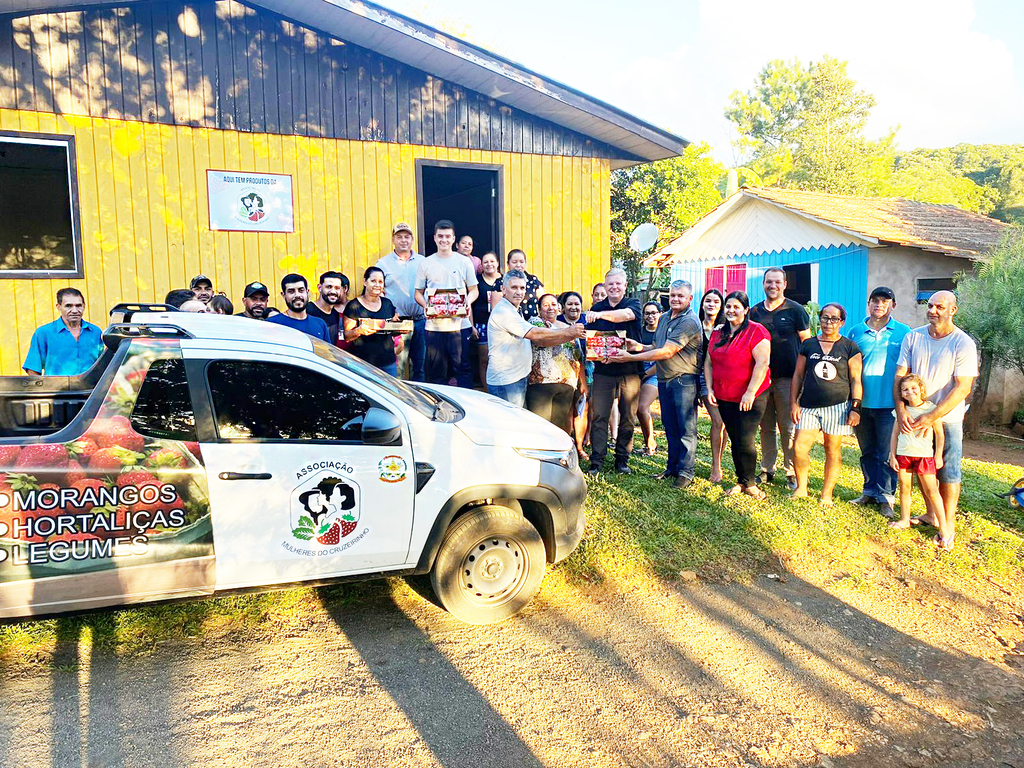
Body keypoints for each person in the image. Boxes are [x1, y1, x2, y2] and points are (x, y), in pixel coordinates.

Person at [893, 290, 978, 550]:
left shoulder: (963, 343)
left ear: (953, 310)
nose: (933, 310)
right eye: (930, 305)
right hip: (914, 418)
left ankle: (947, 525)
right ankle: (931, 513)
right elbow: (899, 377)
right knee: (922, 468)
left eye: (939, 306)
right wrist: (902, 410)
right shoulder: (913, 337)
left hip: (946, 419)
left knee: (948, 470)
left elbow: (963, 387)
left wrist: (933, 415)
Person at [610, 281, 703, 489]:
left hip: (684, 380)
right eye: (672, 295)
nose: (676, 299)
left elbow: (667, 352)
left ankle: (686, 472)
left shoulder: (689, 321)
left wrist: (630, 358)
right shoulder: (665, 318)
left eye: (680, 295)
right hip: (665, 379)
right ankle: (672, 467)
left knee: (686, 429)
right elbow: (657, 346)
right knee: (670, 426)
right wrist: (638, 346)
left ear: (690, 299)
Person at [789, 303, 863, 507]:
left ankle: (826, 494)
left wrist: (856, 408)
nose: (829, 322)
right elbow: (798, 375)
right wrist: (794, 403)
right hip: (808, 406)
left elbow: (856, 379)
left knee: (833, 450)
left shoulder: (850, 347)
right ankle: (801, 487)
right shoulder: (808, 345)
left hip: (837, 406)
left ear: (841, 322)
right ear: (820, 319)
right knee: (799, 448)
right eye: (825, 318)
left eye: (834, 319)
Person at [846, 287, 911, 518]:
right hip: (862, 404)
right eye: (874, 301)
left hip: (890, 406)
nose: (879, 305)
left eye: (885, 301)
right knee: (867, 451)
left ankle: (886, 498)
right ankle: (869, 491)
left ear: (893, 304)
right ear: (868, 303)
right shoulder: (855, 332)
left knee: (886, 453)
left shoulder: (903, 333)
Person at [704, 291, 772, 499]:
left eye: (736, 307)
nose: (731, 310)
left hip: (751, 395)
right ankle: (741, 480)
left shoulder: (756, 331)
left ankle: (749, 483)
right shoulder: (718, 332)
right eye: (729, 306)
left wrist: (750, 392)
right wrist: (709, 388)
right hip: (724, 395)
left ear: (746, 310)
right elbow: (708, 361)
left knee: (746, 438)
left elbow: (762, 363)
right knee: (735, 437)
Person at [749, 267, 811, 490]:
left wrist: (804, 376)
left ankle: (791, 472)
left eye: (777, 282)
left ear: (784, 284)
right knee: (765, 427)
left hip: (788, 378)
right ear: (763, 284)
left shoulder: (795, 310)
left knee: (788, 427)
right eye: (768, 282)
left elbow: (806, 341)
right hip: (761, 379)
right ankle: (767, 469)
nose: (772, 286)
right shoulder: (754, 312)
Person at [486, 270, 585, 406]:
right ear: (503, 289)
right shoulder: (504, 311)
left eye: (522, 288)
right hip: (507, 382)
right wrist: (569, 331)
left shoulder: (514, 309)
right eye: (514, 287)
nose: (519, 292)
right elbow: (535, 335)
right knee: (511, 424)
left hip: (515, 379)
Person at [583, 267, 643, 475]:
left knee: (628, 415)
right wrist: (597, 352)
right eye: (610, 284)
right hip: (603, 370)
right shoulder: (596, 307)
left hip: (630, 370)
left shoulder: (632, 304)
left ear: (625, 286)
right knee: (599, 415)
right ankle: (597, 461)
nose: (614, 287)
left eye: (618, 283)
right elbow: (592, 339)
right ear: (605, 286)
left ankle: (622, 460)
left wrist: (598, 314)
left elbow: (624, 316)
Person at [414, 220, 478, 387]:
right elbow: (418, 294)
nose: (444, 240)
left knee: (463, 369)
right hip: (434, 328)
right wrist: (426, 306)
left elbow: (474, 290)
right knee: (436, 372)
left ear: (453, 238)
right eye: (440, 236)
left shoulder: (464, 262)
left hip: (459, 326)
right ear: (434, 238)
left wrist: (467, 303)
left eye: (448, 236)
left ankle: (468, 406)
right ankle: (439, 410)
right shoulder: (425, 263)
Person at [888, 374, 947, 545]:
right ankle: (905, 519)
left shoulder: (931, 409)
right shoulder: (901, 412)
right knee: (905, 488)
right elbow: (894, 434)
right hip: (903, 454)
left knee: (932, 491)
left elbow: (940, 434)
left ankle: (942, 526)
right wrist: (892, 455)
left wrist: (938, 455)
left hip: (925, 457)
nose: (909, 392)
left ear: (921, 389)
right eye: (905, 389)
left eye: (913, 388)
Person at [526, 294, 587, 433]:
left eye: (553, 304)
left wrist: (582, 383)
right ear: (539, 309)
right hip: (541, 383)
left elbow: (578, 358)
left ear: (559, 307)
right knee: (540, 426)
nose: (550, 308)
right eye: (546, 305)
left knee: (559, 428)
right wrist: (570, 333)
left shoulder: (569, 327)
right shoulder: (535, 323)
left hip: (566, 385)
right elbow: (543, 340)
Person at [376, 222, 426, 381]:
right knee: (398, 367)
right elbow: (377, 291)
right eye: (399, 237)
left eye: (407, 237)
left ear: (412, 240)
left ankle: (420, 403)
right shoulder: (383, 263)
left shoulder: (423, 261)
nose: (403, 240)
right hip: (397, 323)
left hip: (421, 321)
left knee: (421, 366)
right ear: (393, 240)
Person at [23, 288, 104, 376]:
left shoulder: (96, 332)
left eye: (78, 305)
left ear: (84, 306)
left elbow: (104, 366)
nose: (74, 310)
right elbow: (33, 370)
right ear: (58, 307)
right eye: (68, 306)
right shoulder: (44, 333)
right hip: (57, 389)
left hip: (92, 389)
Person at [342, 266, 400, 375]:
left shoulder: (387, 304)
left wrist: (401, 329)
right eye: (373, 281)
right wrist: (359, 331)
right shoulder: (354, 306)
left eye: (380, 282)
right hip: (363, 364)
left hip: (388, 363)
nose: (377, 285)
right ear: (365, 282)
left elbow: (393, 330)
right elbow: (347, 336)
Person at [698, 288, 726, 483]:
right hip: (697, 376)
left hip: (721, 378)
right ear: (702, 304)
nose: (711, 304)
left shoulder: (726, 328)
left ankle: (718, 462)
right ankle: (714, 466)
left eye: (716, 302)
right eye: (708, 301)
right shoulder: (695, 325)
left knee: (722, 423)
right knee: (717, 421)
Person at [559, 291, 590, 459]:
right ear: (563, 308)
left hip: (584, 371)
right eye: (569, 304)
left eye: (577, 304)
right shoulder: (558, 323)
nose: (573, 307)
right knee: (566, 410)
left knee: (582, 409)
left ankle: (579, 447)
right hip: (563, 373)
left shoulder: (587, 323)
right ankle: (566, 446)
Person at [267, 273, 332, 342]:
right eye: (291, 291)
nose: (297, 295)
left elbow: (327, 352)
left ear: (307, 292)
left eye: (301, 290)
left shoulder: (320, 324)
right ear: (283, 295)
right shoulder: (272, 324)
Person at [472, 251, 502, 389]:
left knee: (501, 360)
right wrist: (472, 326)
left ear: (497, 263)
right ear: (482, 265)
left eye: (492, 261)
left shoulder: (505, 280)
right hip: (482, 324)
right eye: (485, 262)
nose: (489, 264)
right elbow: (469, 305)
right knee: (484, 360)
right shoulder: (476, 280)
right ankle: (487, 390)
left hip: (502, 326)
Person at [635, 301, 662, 457]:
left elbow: (660, 361)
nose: (650, 316)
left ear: (660, 313)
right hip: (638, 371)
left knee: (642, 406)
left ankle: (651, 442)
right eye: (647, 313)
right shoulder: (639, 331)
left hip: (655, 373)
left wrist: (644, 375)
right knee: (637, 410)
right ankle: (648, 442)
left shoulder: (662, 332)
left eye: (654, 313)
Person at [497, 249, 546, 321]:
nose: (518, 265)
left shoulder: (533, 280)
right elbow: (496, 308)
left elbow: (543, 301)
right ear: (508, 264)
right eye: (514, 262)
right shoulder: (500, 282)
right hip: (510, 322)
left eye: (521, 262)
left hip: (533, 323)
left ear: (525, 263)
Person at [306, 270, 349, 344]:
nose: (333, 291)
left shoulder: (335, 314)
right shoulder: (307, 310)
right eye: (329, 287)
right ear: (319, 288)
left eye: (337, 288)